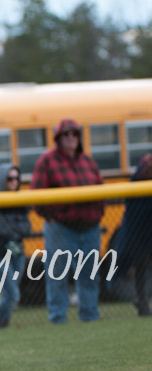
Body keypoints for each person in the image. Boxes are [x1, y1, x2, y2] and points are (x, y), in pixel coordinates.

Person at [31, 119, 104, 324]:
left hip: (90, 227)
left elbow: (101, 189)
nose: (71, 137)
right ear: (58, 138)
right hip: (62, 228)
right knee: (57, 275)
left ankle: (90, 315)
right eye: (66, 134)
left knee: (89, 275)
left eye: (75, 133)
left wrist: (98, 214)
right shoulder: (47, 161)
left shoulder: (88, 161)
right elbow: (36, 195)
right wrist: (53, 216)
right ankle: (58, 317)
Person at [0, 163, 32, 329]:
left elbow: (27, 229)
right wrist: (16, 226)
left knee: (9, 295)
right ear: (1, 181)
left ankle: (2, 325)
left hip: (18, 253)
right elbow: (1, 228)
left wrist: (13, 226)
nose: (14, 182)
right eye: (10, 178)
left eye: (16, 178)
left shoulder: (20, 201)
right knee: (13, 294)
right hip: (0, 254)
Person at [112, 153, 152, 316]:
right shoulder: (144, 168)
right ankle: (142, 302)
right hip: (142, 228)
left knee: (142, 265)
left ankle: (142, 302)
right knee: (141, 264)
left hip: (142, 228)